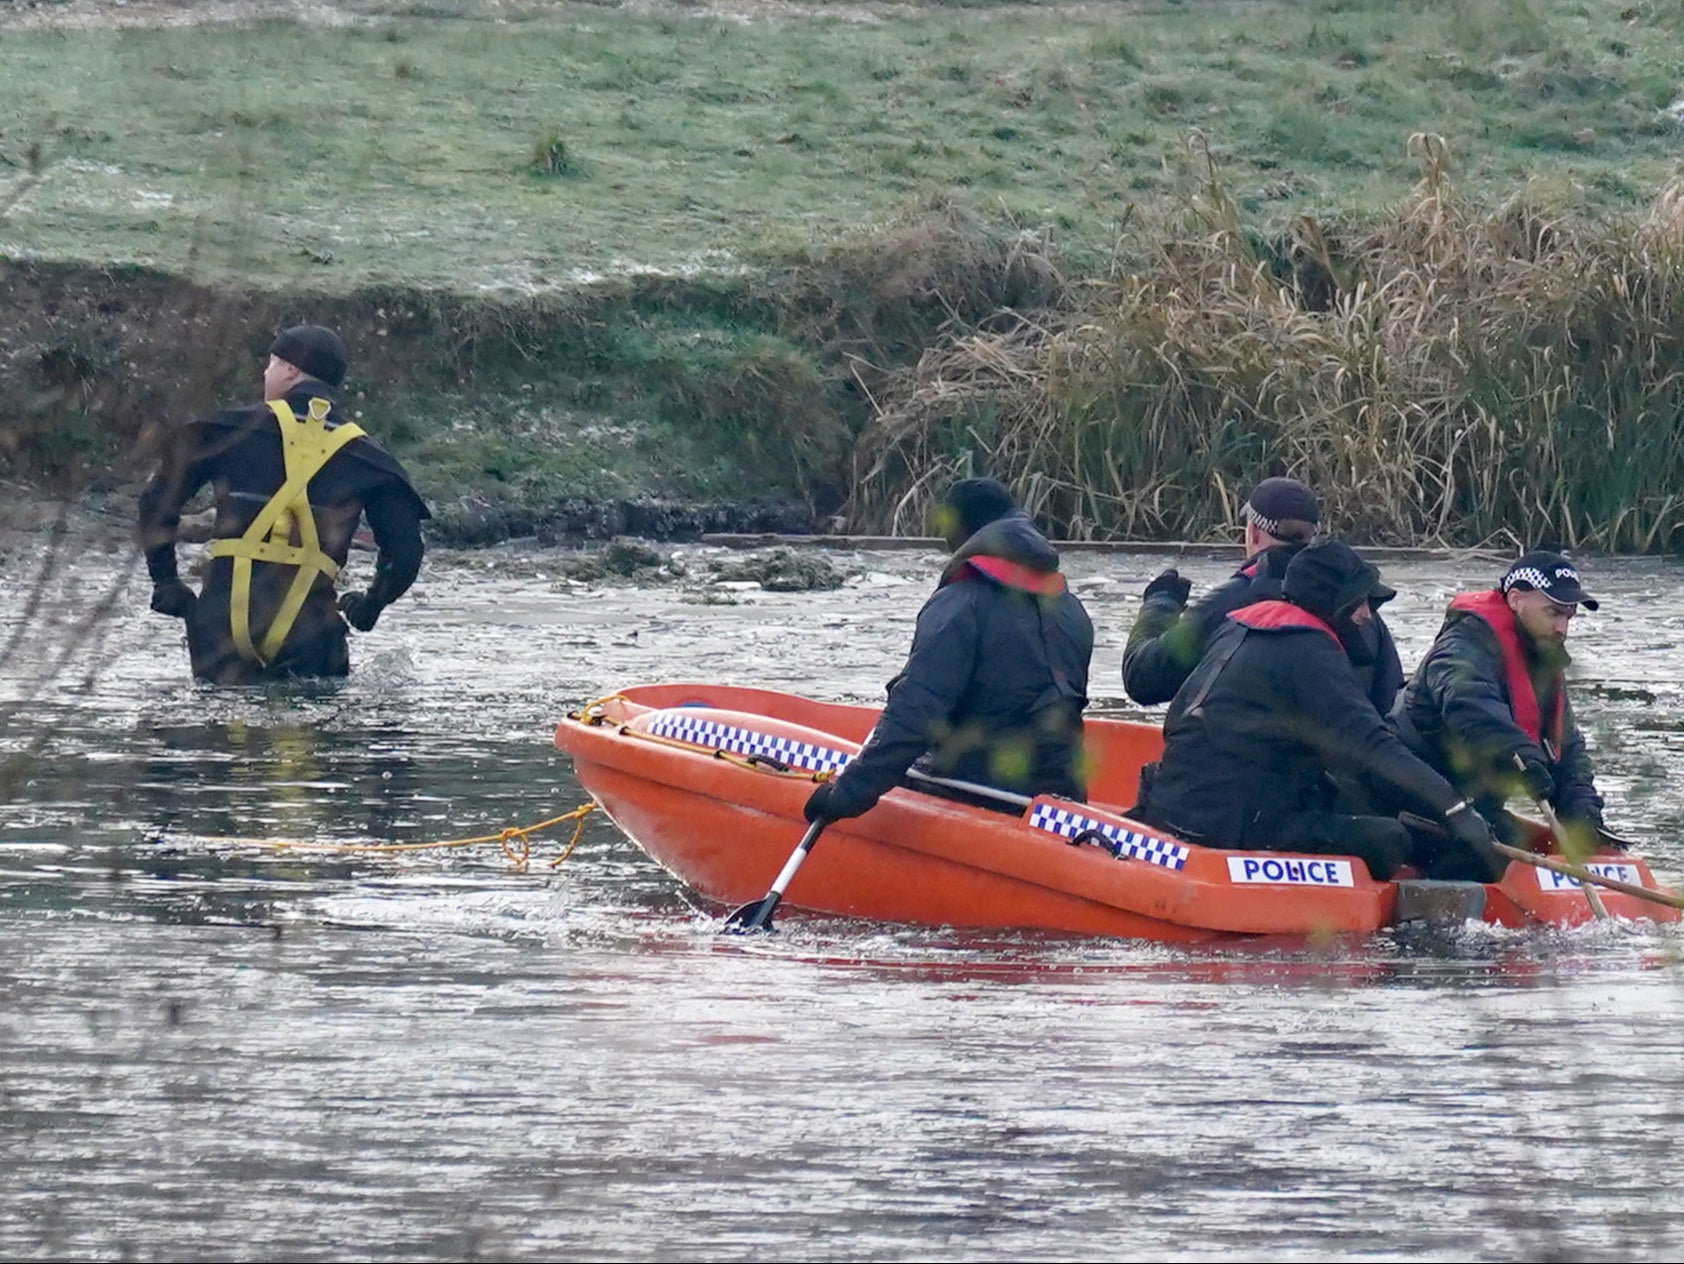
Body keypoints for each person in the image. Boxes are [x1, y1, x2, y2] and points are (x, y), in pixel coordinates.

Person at [1134, 540, 1503, 882]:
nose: (1367, 615)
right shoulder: (1309, 650)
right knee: (1390, 839)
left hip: (1175, 803)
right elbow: (1372, 747)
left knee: (1354, 798)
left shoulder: (1238, 625)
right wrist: (1454, 809)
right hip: (1233, 825)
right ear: (1332, 602)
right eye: (1361, 602)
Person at [138, 325, 429, 684]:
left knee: (219, 716)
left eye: (271, 363)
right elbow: (405, 554)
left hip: (220, 630)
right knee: (308, 713)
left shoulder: (225, 430)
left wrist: (165, 580)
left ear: (290, 369)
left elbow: (156, 502)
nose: (266, 373)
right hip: (311, 635)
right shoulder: (371, 459)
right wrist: (371, 604)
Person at [803, 478, 1094, 824]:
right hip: (1060, 799)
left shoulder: (960, 603)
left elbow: (916, 712)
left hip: (981, 793)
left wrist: (847, 793)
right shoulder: (1070, 607)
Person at [1123, 476, 1403, 715]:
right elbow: (1392, 703)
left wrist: (1160, 602)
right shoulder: (1358, 608)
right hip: (1351, 756)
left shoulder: (1229, 603)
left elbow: (1142, 679)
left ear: (1253, 533)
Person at [1393, 550, 1607, 848]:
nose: (1562, 629)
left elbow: (1565, 746)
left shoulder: (1541, 659)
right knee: (1497, 848)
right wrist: (1521, 756)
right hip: (1412, 796)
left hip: (1475, 803)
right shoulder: (1461, 644)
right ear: (1516, 599)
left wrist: (1582, 807)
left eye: (1568, 617)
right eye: (1553, 613)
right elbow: (1469, 707)